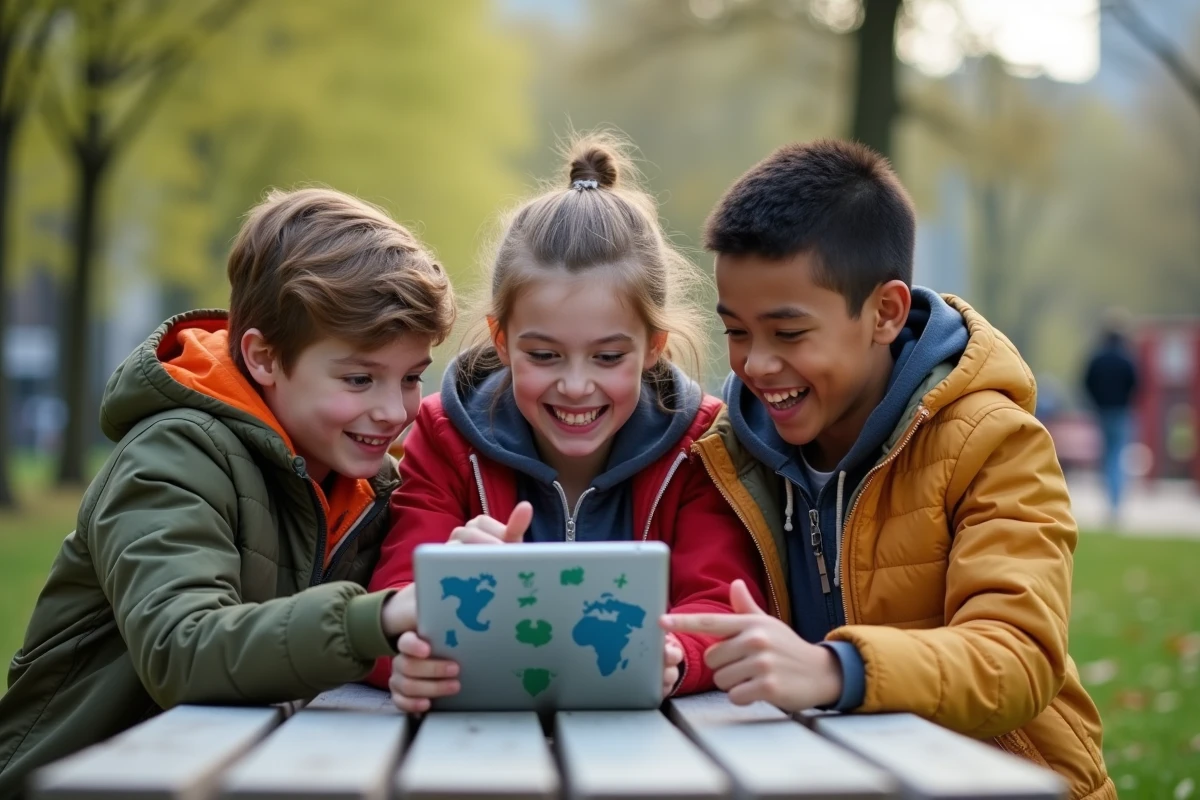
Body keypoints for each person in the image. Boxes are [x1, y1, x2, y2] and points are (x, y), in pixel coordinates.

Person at [664, 140, 1114, 800]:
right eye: (736, 331)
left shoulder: (993, 442)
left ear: (886, 313)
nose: (756, 364)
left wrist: (834, 669)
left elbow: (1017, 660)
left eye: (788, 334)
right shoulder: (725, 451)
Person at [0, 188, 455, 796]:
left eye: (411, 378)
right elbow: (181, 648)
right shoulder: (172, 456)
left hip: (238, 773)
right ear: (264, 358)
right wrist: (379, 618)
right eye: (358, 378)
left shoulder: (366, 483)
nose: (394, 410)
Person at [367, 134, 768, 712]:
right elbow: (386, 606)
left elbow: (722, 601)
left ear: (653, 346)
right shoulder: (443, 435)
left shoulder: (700, 442)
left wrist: (674, 655)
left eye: (608, 357)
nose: (576, 386)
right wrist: (412, 647)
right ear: (502, 341)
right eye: (545, 355)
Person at [1083, 317, 1139, 520]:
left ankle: (1110, 501)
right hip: (1122, 412)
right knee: (1118, 456)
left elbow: (1087, 381)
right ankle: (1116, 502)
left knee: (1107, 457)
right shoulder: (1127, 359)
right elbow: (1137, 383)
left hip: (1102, 412)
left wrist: (1097, 402)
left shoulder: (1097, 358)